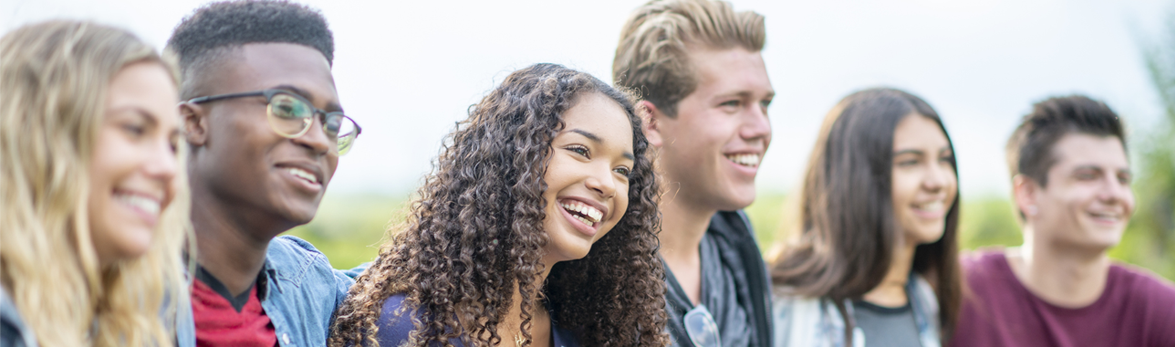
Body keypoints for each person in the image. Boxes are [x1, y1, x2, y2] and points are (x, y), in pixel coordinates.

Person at [328, 64, 668, 347]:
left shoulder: (589, 333)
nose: (607, 183)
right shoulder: (402, 327)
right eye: (580, 151)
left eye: (622, 170)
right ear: (510, 159)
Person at [166, 1, 363, 346]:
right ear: (191, 123)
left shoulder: (310, 288)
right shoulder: (90, 298)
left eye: (331, 124)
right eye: (287, 108)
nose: (319, 141)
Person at [0, 20, 189, 347]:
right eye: (134, 129)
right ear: (37, 134)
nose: (168, 168)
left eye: (173, 145)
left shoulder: (141, 321)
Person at [950, 96, 1175, 347]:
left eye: (1122, 179)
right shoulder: (958, 290)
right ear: (1028, 193)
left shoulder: (1161, 310)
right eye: (1088, 176)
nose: (1114, 194)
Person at [613, 0, 775, 345]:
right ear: (650, 121)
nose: (761, 127)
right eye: (731, 103)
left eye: (765, 104)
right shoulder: (592, 268)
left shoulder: (736, 246)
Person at [770, 88, 963, 347]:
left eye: (944, 159)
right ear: (856, 177)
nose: (938, 181)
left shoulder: (924, 300)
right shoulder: (786, 302)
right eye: (910, 162)